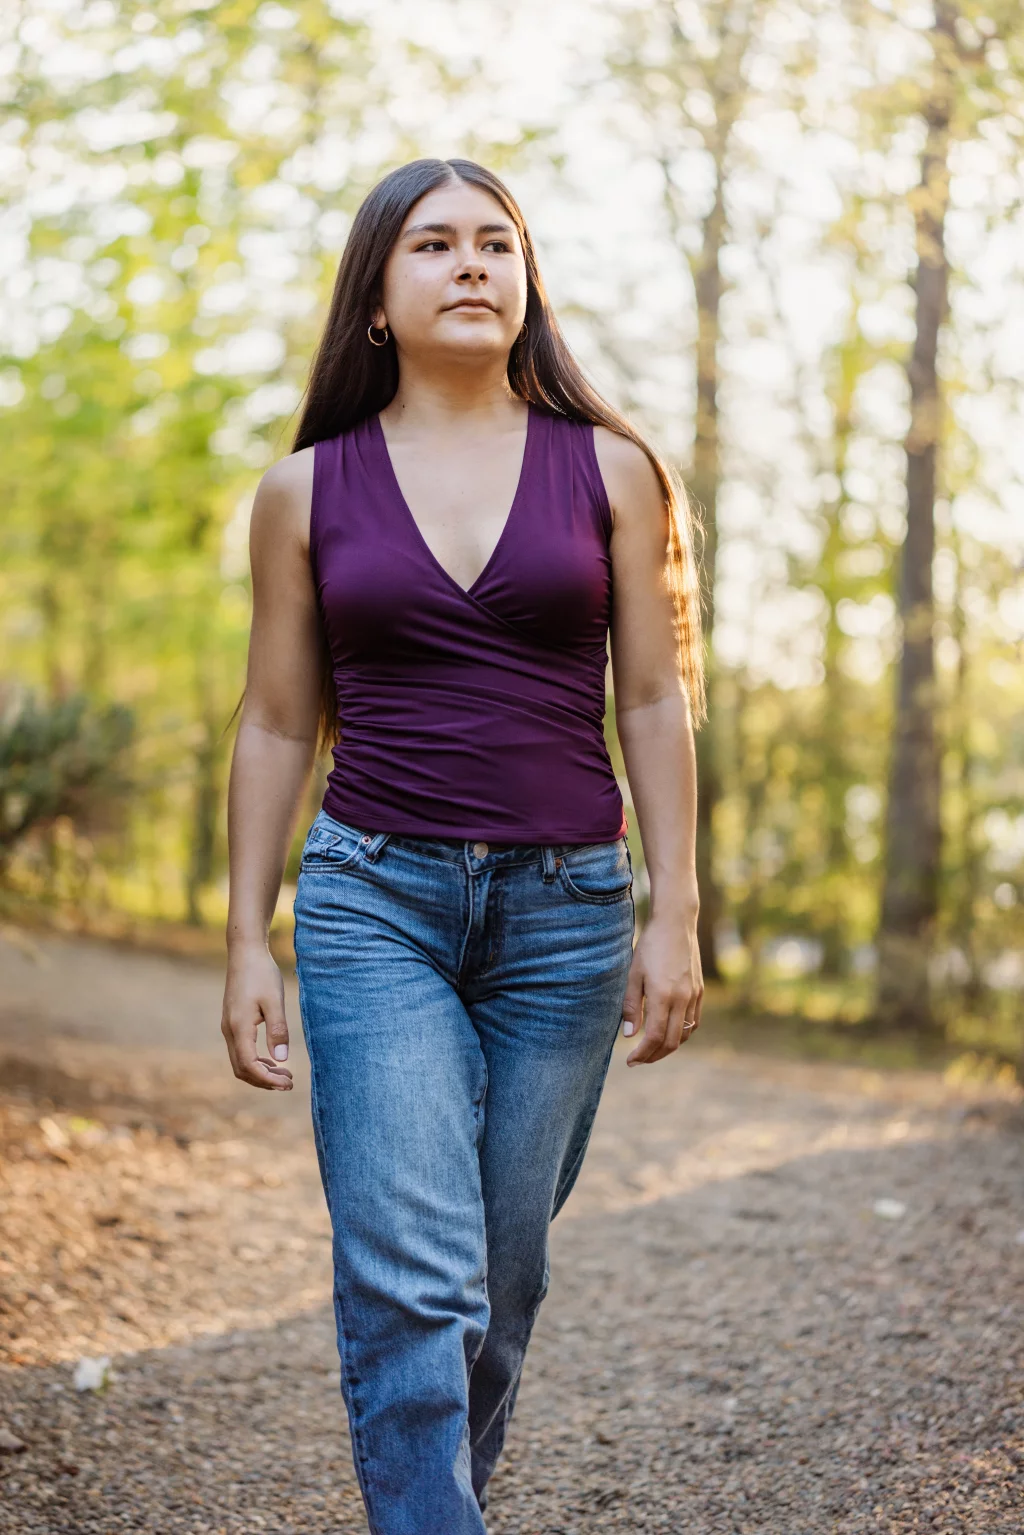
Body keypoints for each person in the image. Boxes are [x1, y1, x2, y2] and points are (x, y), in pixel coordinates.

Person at [220, 156, 705, 1535]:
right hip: (375, 901)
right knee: (412, 1274)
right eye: (434, 244)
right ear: (378, 295)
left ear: (528, 279)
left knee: (503, 1275)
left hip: (567, 913)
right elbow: (270, 723)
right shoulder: (303, 492)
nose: (473, 264)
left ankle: (438, 1503)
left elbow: (658, 700)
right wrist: (245, 937)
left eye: (499, 242)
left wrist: (675, 913)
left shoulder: (613, 470)